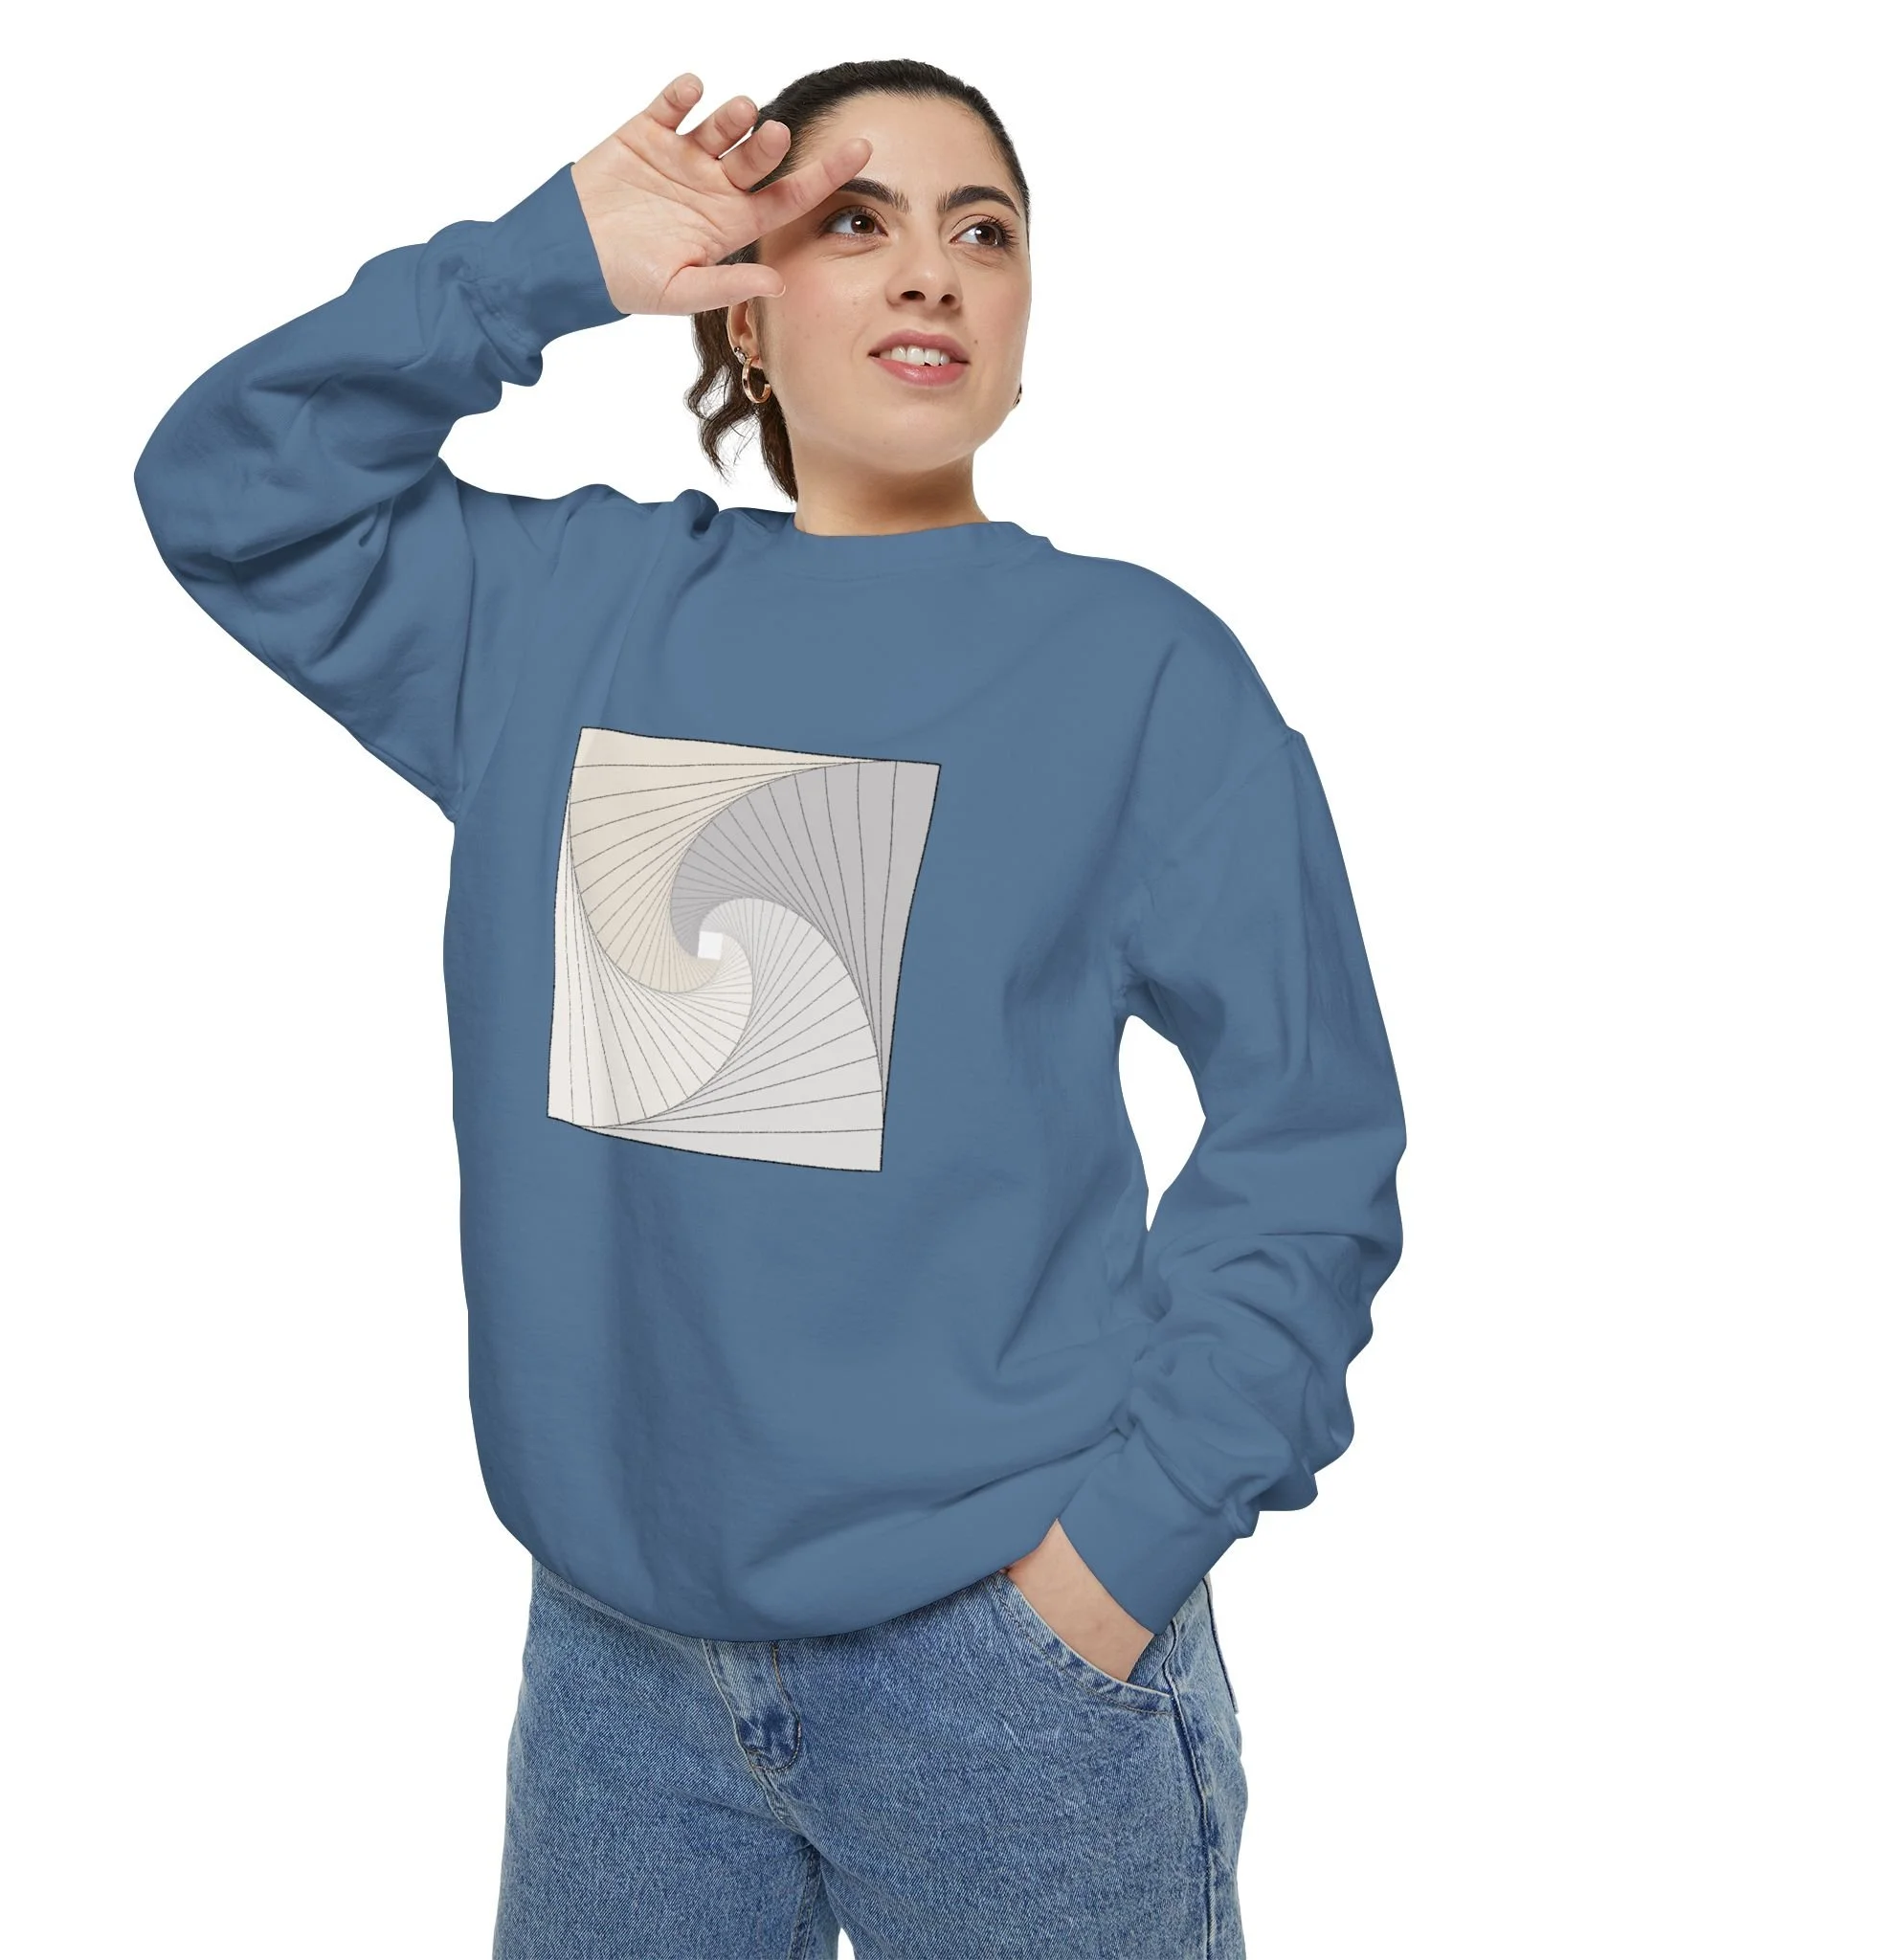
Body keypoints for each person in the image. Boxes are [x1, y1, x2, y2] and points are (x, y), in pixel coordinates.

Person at [133, 56, 1407, 1960]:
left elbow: (1308, 1134)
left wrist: (1120, 1559)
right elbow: (229, 490)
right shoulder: (555, 617)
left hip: (1006, 1667)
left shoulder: (1138, 670)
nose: (931, 270)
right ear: (742, 302)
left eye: (984, 231)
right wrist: (541, 262)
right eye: (854, 221)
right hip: (617, 1672)